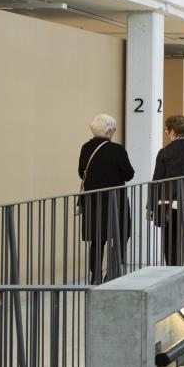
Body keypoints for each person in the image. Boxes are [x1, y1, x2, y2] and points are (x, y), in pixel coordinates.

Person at [77, 114, 134, 283]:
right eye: (113, 130)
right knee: (121, 235)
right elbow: (129, 174)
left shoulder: (85, 147)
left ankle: (95, 277)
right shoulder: (117, 150)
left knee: (96, 240)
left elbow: (81, 172)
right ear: (109, 131)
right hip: (115, 201)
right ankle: (113, 274)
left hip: (93, 201)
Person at [151, 113, 184, 265]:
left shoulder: (164, 153)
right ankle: (183, 266)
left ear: (173, 131)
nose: (167, 134)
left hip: (167, 204)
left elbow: (157, 180)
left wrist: (151, 206)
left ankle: (171, 268)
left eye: (167, 131)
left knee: (169, 240)